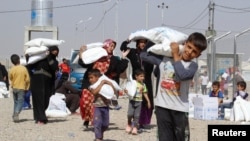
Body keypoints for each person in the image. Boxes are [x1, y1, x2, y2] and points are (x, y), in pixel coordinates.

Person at [140, 32, 207, 141]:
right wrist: (155, 37)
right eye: (189, 47)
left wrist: (176, 55)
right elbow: (143, 55)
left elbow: (181, 75)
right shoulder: (164, 59)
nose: (189, 52)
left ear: (198, 55)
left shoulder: (192, 66)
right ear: (185, 43)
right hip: (162, 108)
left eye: (194, 51)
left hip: (180, 110)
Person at [78, 39, 129, 129]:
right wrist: (81, 52)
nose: (112, 48)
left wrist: (123, 58)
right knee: (85, 101)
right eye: (110, 45)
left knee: (99, 103)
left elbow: (119, 69)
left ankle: (97, 122)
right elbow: (83, 63)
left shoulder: (112, 59)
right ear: (105, 45)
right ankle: (86, 120)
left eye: (113, 46)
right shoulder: (96, 55)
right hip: (89, 82)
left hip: (102, 84)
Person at [120, 39, 154, 129]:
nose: (143, 44)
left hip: (147, 80)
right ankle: (135, 122)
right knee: (136, 100)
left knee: (148, 99)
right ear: (138, 44)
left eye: (145, 42)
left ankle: (144, 122)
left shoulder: (149, 53)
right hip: (136, 81)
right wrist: (127, 40)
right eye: (141, 42)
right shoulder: (133, 52)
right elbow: (122, 47)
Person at [26, 46, 59, 124]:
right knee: (38, 99)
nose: (55, 52)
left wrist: (48, 57)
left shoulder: (54, 61)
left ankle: (40, 116)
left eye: (57, 50)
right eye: (54, 50)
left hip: (47, 82)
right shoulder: (40, 59)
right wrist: (27, 58)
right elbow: (29, 66)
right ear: (50, 50)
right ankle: (41, 118)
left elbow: (53, 67)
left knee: (46, 100)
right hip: (37, 80)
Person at [88, 69, 113, 141]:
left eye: (91, 77)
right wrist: (101, 83)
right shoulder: (92, 87)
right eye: (89, 78)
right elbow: (95, 92)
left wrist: (110, 83)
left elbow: (112, 91)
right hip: (97, 107)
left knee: (105, 124)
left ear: (97, 78)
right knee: (97, 123)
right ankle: (98, 137)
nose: (90, 79)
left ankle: (100, 134)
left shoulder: (105, 86)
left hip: (105, 107)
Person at [124, 69, 151, 135]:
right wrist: (126, 92)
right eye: (141, 76)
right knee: (129, 114)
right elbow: (127, 90)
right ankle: (129, 123)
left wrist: (148, 101)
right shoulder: (133, 83)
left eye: (143, 76)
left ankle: (135, 127)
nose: (143, 78)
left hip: (139, 102)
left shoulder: (143, 85)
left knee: (137, 116)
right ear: (136, 76)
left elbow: (145, 93)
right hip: (132, 101)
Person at [8, 54, 30, 122]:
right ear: (19, 60)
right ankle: (16, 113)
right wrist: (27, 87)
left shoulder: (12, 69)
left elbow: (10, 78)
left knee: (16, 102)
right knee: (20, 102)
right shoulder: (23, 68)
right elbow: (28, 79)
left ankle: (14, 115)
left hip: (14, 87)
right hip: (21, 87)